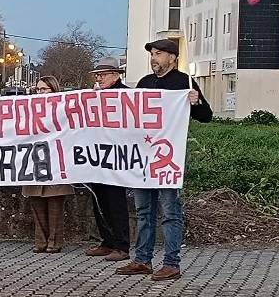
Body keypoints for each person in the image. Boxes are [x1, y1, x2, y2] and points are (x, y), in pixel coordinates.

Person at [116, 39, 213, 281]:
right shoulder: (145, 83)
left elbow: (206, 117)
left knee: (170, 211)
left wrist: (196, 101)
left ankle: (172, 263)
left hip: (168, 160)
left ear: (173, 57)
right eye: (152, 54)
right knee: (143, 211)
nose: (154, 58)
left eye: (158, 54)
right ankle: (142, 260)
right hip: (142, 159)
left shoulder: (184, 83)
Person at [83, 58, 133, 262]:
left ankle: (122, 245)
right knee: (99, 201)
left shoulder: (126, 95)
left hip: (116, 158)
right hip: (97, 157)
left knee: (116, 202)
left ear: (116, 75)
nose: (99, 78)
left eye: (103, 74)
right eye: (97, 75)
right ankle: (107, 241)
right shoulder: (95, 96)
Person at [21, 75, 75, 253]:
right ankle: (40, 241)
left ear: (54, 90)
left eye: (44, 89)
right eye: (38, 89)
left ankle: (55, 241)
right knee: (37, 205)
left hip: (55, 162)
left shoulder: (62, 109)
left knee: (55, 206)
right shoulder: (29, 110)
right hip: (35, 163)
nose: (40, 92)